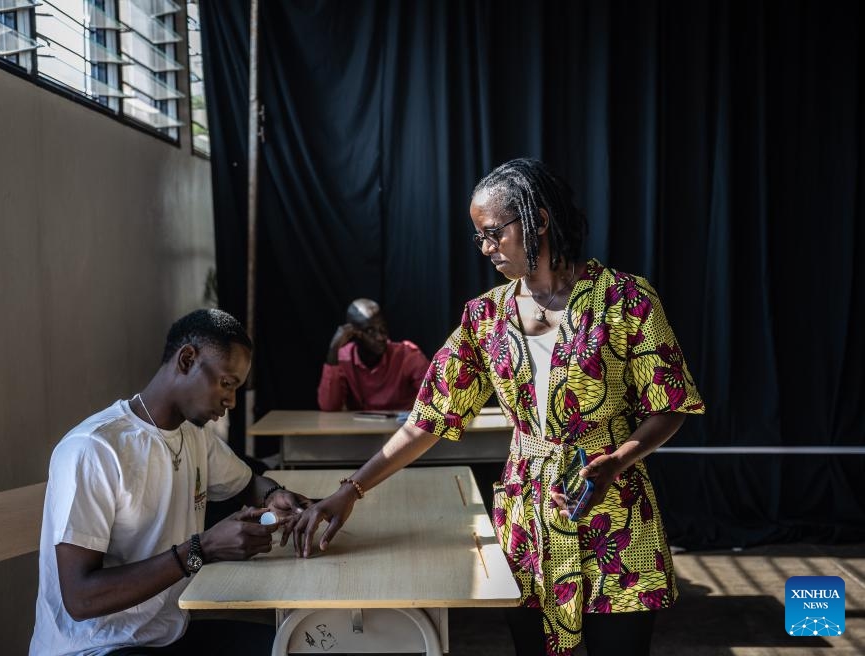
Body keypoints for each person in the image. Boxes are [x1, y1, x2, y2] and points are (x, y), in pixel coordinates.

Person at [294, 158, 705, 656]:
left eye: (493, 233)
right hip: (527, 515)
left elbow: (671, 403)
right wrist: (352, 490)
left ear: (537, 220)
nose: (486, 248)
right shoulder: (485, 317)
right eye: (479, 238)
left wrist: (618, 461)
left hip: (615, 511)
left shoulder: (625, 299)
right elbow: (429, 417)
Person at [31, 309, 310, 656]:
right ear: (187, 359)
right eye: (227, 383)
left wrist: (273, 495)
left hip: (168, 634)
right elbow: (81, 598)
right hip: (97, 646)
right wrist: (202, 549)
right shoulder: (94, 449)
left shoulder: (194, 436)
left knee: (295, 646)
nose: (231, 401)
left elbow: (246, 483)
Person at [317, 298, 429, 411]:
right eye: (370, 331)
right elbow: (329, 407)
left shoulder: (407, 355)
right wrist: (333, 350)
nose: (381, 337)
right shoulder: (342, 358)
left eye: (383, 329)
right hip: (358, 428)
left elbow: (437, 398)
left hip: (399, 427)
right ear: (353, 333)